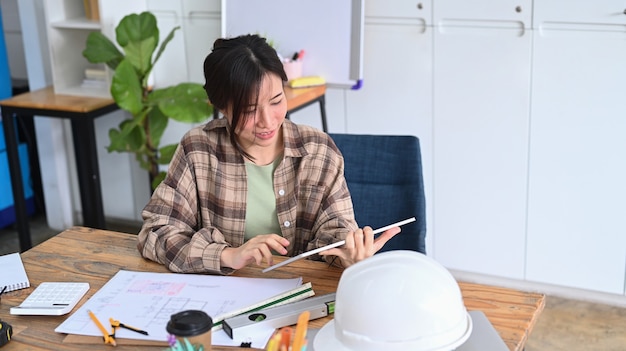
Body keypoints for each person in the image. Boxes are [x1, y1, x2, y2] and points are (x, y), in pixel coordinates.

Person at [137, 34, 400, 275]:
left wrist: (348, 252)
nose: (267, 121)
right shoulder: (198, 150)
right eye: (250, 110)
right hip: (225, 294)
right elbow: (155, 233)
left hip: (302, 296)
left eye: (276, 101)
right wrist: (228, 255)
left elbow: (336, 230)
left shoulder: (318, 150)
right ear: (222, 106)